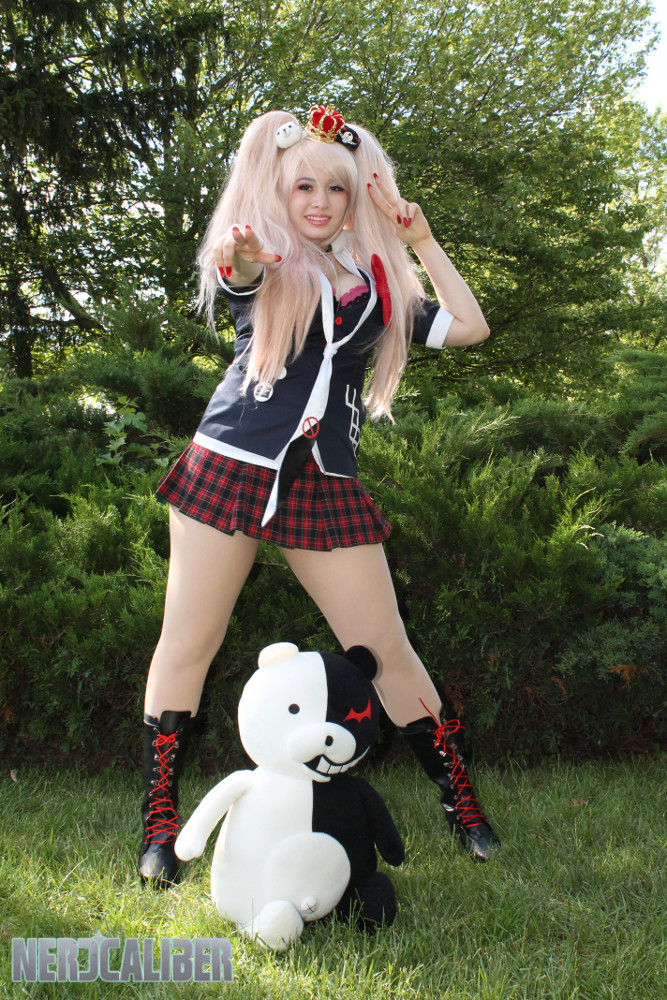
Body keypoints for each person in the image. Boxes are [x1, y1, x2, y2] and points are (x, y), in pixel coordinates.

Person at [139, 105, 500, 888]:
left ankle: (463, 807)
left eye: (335, 188)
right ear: (279, 188)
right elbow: (239, 273)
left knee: (387, 649)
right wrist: (239, 257)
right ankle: (160, 825)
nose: (319, 201)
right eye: (303, 185)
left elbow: (470, 326)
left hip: (324, 482)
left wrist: (420, 240)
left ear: (354, 196)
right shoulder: (265, 259)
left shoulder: (379, 288)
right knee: (188, 642)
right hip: (230, 462)